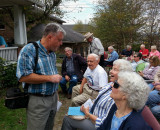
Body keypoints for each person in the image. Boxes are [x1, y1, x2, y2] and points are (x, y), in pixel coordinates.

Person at [16, 23, 66, 130]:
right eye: (59, 40)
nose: (61, 43)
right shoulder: (29, 50)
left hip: (52, 99)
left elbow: (52, 74)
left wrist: (56, 94)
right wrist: (50, 78)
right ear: (50, 37)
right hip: (38, 100)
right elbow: (23, 77)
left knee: (49, 127)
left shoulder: (52, 53)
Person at [61, 59, 133, 130]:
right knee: (70, 113)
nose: (110, 71)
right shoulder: (110, 84)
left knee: (67, 119)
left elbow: (105, 123)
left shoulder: (119, 94)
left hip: (97, 124)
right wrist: (87, 106)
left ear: (124, 74)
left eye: (115, 69)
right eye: (112, 69)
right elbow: (97, 99)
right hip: (91, 112)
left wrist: (88, 114)